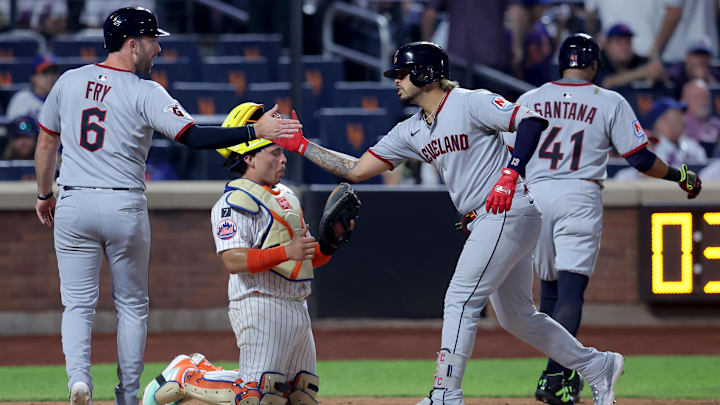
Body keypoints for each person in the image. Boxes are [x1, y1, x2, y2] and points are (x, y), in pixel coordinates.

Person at [275, 40, 624, 405]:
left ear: (426, 73)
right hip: (490, 218)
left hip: (507, 209)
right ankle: (597, 365)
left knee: (459, 299)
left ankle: (446, 392)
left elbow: (531, 120)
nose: (396, 80)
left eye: (402, 72)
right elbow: (357, 169)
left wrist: (511, 172)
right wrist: (301, 144)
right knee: (518, 317)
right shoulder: (410, 130)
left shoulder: (469, 101)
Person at [33, 7, 300, 405]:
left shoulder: (69, 81)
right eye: (154, 40)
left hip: (72, 200)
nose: (158, 47)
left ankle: (78, 380)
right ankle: (125, 396)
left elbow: (45, 143)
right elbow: (193, 138)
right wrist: (254, 131)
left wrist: (43, 194)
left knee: (76, 304)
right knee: (132, 306)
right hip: (123, 202)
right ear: (133, 43)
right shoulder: (146, 91)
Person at [505, 33, 702, 405]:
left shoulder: (530, 98)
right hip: (579, 192)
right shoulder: (608, 99)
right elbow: (641, 159)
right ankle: (555, 378)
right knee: (570, 291)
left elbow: (509, 153)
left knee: (547, 290)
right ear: (594, 64)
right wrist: (681, 176)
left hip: (535, 193)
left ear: (561, 63)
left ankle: (557, 377)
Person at [141, 102, 348, 405]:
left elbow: (302, 260)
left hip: (297, 305)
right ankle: (185, 375)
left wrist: (328, 245)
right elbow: (233, 260)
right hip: (258, 301)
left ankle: (191, 376)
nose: (283, 159)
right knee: (257, 394)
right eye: (274, 152)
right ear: (249, 157)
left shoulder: (287, 196)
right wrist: (286, 250)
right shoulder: (233, 201)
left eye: (282, 152)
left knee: (299, 393)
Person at [594, 23, 666, 90]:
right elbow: (605, 83)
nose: (625, 47)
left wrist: (659, 74)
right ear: (607, 45)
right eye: (619, 42)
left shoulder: (639, 60)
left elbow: (662, 78)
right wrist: (642, 73)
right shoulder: (597, 62)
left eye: (628, 42)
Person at [647, 97, 708, 166]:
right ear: (663, 119)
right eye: (678, 115)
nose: (683, 120)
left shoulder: (691, 145)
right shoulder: (649, 147)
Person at [5, 54, 60, 121]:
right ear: (33, 77)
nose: (51, 78)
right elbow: (14, 128)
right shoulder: (21, 99)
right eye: (45, 73)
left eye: (54, 72)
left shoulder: (63, 100)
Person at [681, 79, 720, 145]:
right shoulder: (680, 125)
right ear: (684, 101)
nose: (703, 101)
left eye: (706, 96)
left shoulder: (717, 124)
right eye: (697, 97)